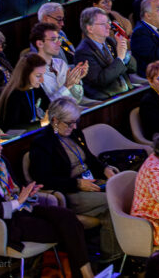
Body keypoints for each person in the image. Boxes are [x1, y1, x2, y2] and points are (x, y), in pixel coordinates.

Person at [0, 125, 95, 277]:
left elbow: (16, 189)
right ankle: (86, 274)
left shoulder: (2, 162)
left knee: (66, 216)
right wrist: (17, 202)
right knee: (71, 229)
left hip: (26, 208)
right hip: (9, 222)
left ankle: (84, 274)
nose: (0, 147)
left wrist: (29, 194)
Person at [29, 97, 120, 258]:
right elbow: (43, 179)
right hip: (69, 191)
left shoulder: (74, 133)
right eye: (70, 123)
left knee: (122, 192)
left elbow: (89, 158)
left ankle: (114, 252)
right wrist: (77, 184)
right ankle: (111, 255)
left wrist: (104, 168)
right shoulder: (42, 143)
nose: (75, 126)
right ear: (55, 120)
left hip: (90, 182)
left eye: (76, 121)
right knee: (112, 202)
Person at [75, 6, 136, 100]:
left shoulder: (111, 41)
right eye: (103, 24)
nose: (109, 26)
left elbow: (134, 68)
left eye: (108, 22)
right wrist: (120, 57)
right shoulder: (83, 52)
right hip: (107, 100)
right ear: (90, 28)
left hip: (127, 92)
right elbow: (101, 81)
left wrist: (125, 53)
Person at [0, 53, 48, 132]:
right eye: (38, 76)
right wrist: (41, 123)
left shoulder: (35, 87)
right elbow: (11, 130)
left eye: (43, 75)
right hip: (14, 141)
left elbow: (49, 106)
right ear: (26, 75)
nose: (42, 80)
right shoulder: (14, 95)